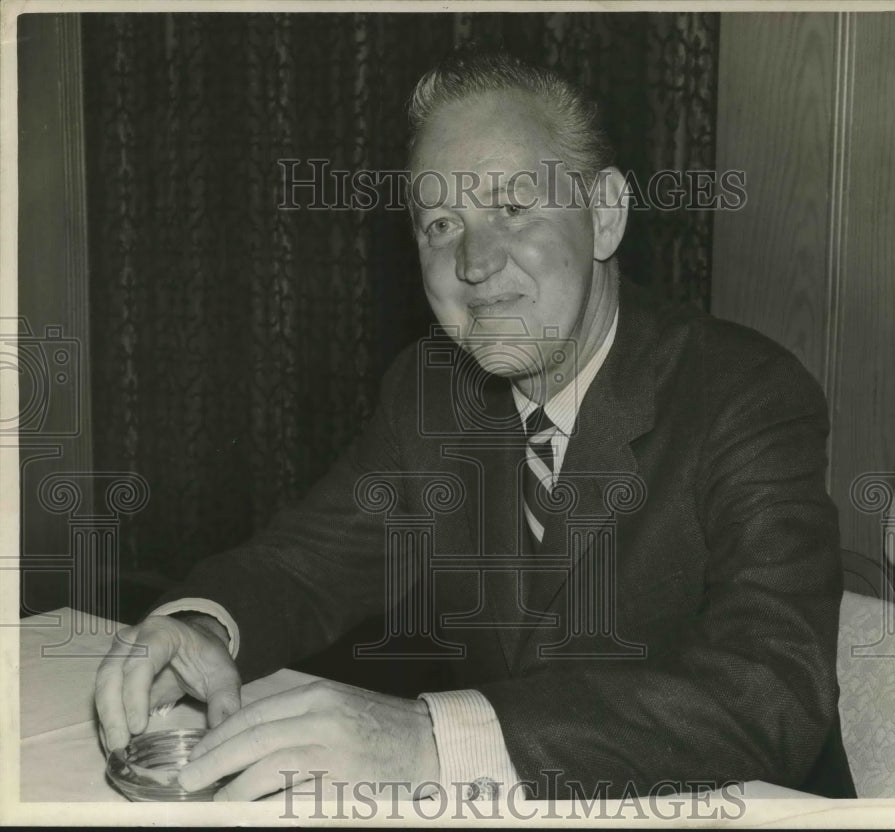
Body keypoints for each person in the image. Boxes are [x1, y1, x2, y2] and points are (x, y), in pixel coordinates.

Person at [94, 51, 856, 802]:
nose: (473, 262)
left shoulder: (744, 393)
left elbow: (772, 693)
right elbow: (303, 568)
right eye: (440, 225)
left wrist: (434, 739)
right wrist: (201, 626)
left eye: (513, 208)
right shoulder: (431, 396)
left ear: (605, 215)